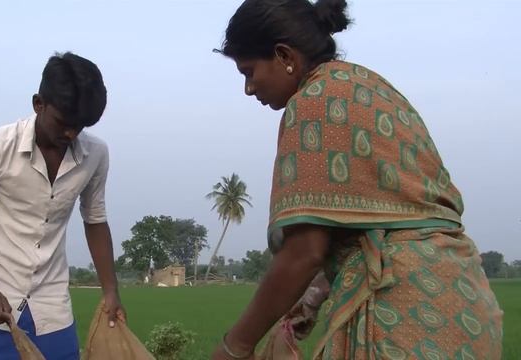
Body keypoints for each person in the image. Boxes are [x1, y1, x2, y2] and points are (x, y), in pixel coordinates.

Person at [211, 1, 503, 359]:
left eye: (249, 71)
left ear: (284, 55)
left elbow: (306, 251)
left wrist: (237, 344)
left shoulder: (314, 102)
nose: (249, 88)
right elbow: (370, 229)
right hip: (462, 302)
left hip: (403, 312)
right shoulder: (370, 89)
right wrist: (305, 307)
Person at [0, 52, 125, 359]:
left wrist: (111, 290)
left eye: (81, 125)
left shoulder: (95, 154)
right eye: (64, 122)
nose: (71, 134)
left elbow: (95, 219)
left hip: (53, 312)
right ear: (39, 103)